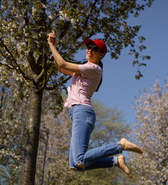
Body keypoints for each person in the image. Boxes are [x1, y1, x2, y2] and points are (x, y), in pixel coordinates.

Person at [47, 31, 143, 177]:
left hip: (82, 111)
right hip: (77, 113)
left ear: (101, 55)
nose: (89, 50)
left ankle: (120, 145)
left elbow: (61, 63)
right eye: (88, 47)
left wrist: (51, 45)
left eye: (94, 49)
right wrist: (54, 47)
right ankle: (116, 161)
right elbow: (61, 68)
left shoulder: (93, 68)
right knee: (75, 165)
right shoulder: (82, 71)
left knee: (79, 159)